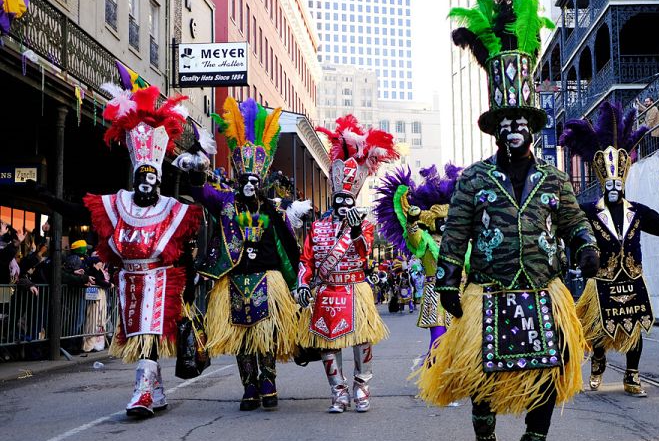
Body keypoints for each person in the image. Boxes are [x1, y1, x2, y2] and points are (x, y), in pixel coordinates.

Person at [417, 0, 601, 441]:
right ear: (497, 130)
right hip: (490, 291)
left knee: (552, 365)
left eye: (523, 121)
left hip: (543, 288)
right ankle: (483, 412)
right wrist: (448, 283)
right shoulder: (475, 180)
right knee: (485, 366)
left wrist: (585, 246)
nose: (516, 129)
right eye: (508, 123)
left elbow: (572, 220)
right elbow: (455, 234)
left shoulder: (554, 179)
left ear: (532, 128)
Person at [560, 101, 659, 397]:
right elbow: (568, 224)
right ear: (604, 184)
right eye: (609, 183)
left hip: (632, 279)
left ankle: (632, 376)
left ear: (623, 183)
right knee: (599, 330)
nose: (614, 187)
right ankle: (598, 358)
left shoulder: (637, 212)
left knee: (635, 328)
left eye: (618, 183)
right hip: (601, 280)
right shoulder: (589, 210)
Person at [82, 84, 202, 417]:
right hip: (128, 283)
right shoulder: (120, 205)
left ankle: (143, 392)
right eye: (142, 177)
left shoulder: (171, 209)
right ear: (136, 179)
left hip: (158, 281)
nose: (147, 183)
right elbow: (85, 212)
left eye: (152, 177)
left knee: (148, 334)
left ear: (158, 181)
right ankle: (157, 391)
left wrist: (189, 286)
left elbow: (181, 250)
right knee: (138, 336)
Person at [180, 96, 306, 411]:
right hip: (234, 280)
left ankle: (268, 382)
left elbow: (286, 247)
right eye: (245, 181)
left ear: (260, 183)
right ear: (239, 182)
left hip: (267, 279)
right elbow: (200, 192)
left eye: (254, 181)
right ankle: (249, 387)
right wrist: (196, 170)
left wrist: (296, 282)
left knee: (263, 333)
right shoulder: (226, 203)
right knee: (241, 337)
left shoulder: (273, 212)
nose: (249, 186)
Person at [295, 114, 398, 414]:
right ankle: (337, 391)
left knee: (362, 340)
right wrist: (302, 283)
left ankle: (361, 386)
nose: (343, 205)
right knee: (328, 345)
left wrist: (354, 231)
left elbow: (365, 253)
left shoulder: (363, 225)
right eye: (338, 199)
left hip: (355, 289)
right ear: (333, 197)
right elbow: (307, 259)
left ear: (353, 200)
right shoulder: (317, 227)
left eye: (347, 200)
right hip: (327, 291)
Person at [374, 164, 463, 358]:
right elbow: (413, 237)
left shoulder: (463, 241)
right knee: (438, 341)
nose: (446, 224)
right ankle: (434, 377)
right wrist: (412, 221)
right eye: (442, 220)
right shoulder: (425, 239)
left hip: (461, 293)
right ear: (432, 221)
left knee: (462, 340)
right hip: (436, 293)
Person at [82, 256, 110, 353]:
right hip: (95, 298)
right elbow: (98, 281)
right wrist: (109, 285)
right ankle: (89, 345)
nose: (102, 263)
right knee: (93, 320)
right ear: (94, 264)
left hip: (100, 296)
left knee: (100, 319)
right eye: (99, 262)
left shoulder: (99, 271)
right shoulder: (93, 271)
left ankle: (96, 344)